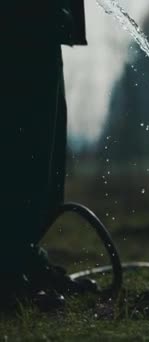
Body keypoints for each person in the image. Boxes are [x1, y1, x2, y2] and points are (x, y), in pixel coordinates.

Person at [1, 1, 89, 305]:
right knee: (23, 147)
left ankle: (21, 259)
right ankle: (10, 272)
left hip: (40, 21)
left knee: (42, 151)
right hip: (22, 21)